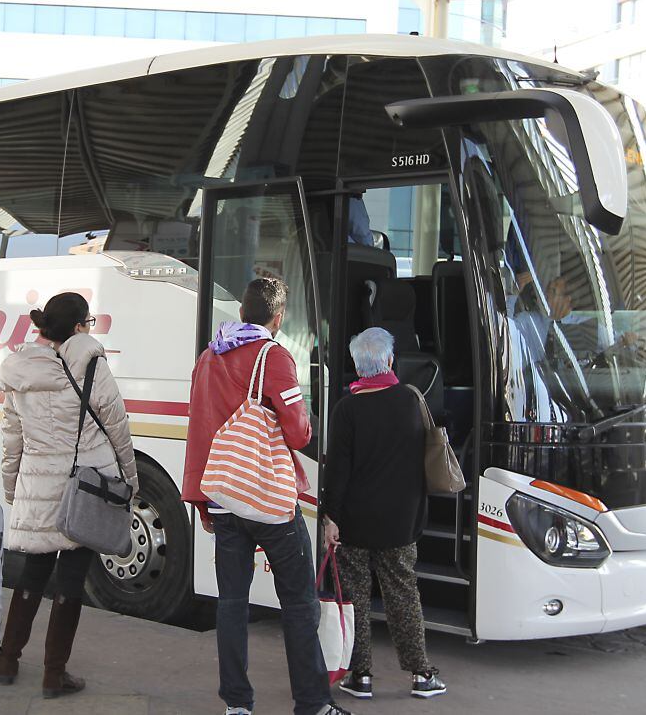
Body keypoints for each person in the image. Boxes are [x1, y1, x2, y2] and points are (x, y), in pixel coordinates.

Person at [182, 277, 351, 715]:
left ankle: (237, 705)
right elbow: (297, 432)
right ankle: (313, 704)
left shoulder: (209, 355)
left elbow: (198, 426)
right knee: (299, 603)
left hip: (224, 496)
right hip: (267, 498)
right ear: (278, 319)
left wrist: (202, 498)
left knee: (232, 603)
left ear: (241, 312)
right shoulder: (274, 356)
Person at [0, 291, 138, 698]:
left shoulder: (20, 372)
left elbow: (12, 439)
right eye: (89, 323)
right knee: (71, 580)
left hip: (38, 487)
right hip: (84, 488)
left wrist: (13, 490)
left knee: (33, 573)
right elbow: (117, 428)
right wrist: (130, 480)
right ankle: (53, 675)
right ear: (78, 328)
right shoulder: (91, 366)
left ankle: (8, 660)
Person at [322, 326, 447, 700]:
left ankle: (360, 676)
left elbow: (337, 473)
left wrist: (331, 517)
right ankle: (421, 675)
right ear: (390, 361)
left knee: (356, 597)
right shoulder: (409, 400)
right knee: (403, 596)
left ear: (358, 367)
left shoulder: (347, 410)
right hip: (399, 521)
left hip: (355, 523)